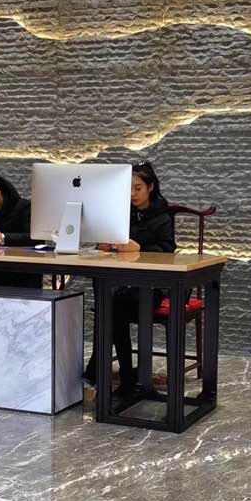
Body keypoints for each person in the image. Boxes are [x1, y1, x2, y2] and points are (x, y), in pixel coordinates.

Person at [84, 161, 176, 394]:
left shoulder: (162, 216)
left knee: (111, 309)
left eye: (138, 188)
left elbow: (167, 251)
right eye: (129, 188)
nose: (133, 194)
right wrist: (106, 245)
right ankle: (125, 377)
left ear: (151, 187)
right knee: (111, 305)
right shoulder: (120, 211)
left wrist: (140, 248)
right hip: (121, 282)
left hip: (151, 286)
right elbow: (112, 241)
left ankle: (106, 373)